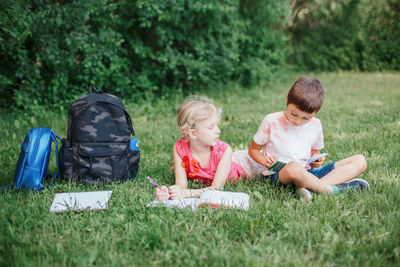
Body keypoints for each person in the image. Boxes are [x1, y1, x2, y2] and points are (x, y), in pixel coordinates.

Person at [248, 76, 369, 200]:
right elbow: (253, 150)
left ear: (316, 112)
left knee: (360, 160)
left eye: (306, 118)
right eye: (293, 114)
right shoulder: (271, 120)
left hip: (307, 172)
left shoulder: (316, 125)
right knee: (293, 167)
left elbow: (315, 152)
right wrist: (266, 162)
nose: (297, 121)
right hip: (278, 175)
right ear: (287, 100)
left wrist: (316, 161)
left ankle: (309, 188)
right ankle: (330, 190)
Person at [155, 98, 248, 201]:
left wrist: (188, 193)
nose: (218, 131)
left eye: (217, 125)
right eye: (211, 127)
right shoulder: (179, 148)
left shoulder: (225, 151)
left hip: (245, 165)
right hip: (230, 159)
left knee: (262, 161)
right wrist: (169, 193)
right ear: (193, 133)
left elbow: (217, 188)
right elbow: (181, 184)